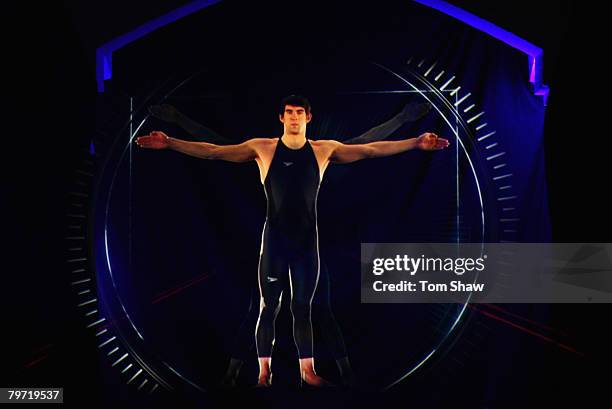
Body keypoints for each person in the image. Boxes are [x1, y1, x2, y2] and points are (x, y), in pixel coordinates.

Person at [136, 95, 449, 387]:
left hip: (305, 245)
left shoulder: (324, 150)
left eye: (300, 112)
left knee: (303, 307)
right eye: (289, 113)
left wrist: (415, 143)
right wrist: (170, 143)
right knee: (268, 307)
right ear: (281, 117)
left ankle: (308, 371)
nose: (295, 117)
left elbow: (371, 149)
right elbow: (214, 151)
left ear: (309, 117)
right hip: (273, 242)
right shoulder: (263, 148)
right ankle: (263, 372)